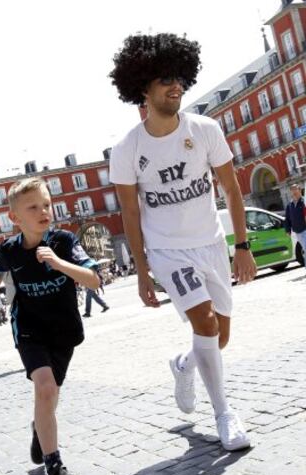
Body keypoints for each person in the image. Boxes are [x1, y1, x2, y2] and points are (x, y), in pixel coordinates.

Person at [109, 33, 257, 451]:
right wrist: (142, 272)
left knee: (218, 337)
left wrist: (242, 246)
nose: (176, 86)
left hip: (210, 244)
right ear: (143, 87)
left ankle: (183, 364)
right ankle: (225, 415)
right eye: (164, 80)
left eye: (180, 77)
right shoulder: (126, 150)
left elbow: (231, 189)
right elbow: (131, 216)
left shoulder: (206, 129)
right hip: (168, 253)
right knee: (205, 324)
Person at [0, 177, 100, 475]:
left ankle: (40, 428)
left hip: (64, 331)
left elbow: (93, 280)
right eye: (33, 207)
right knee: (45, 388)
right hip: (30, 330)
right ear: (15, 218)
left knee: (49, 396)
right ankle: (55, 467)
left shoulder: (63, 241)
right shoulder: (10, 250)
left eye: (46, 204)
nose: (43, 210)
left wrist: (59, 263)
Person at [285, 183, 306, 268]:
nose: (294, 191)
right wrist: (287, 230)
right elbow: (287, 218)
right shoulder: (290, 205)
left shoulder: (304, 202)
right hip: (297, 231)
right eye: (292, 190)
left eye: (295, 189)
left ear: (299, 190)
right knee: (304, 248)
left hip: (305, 229)